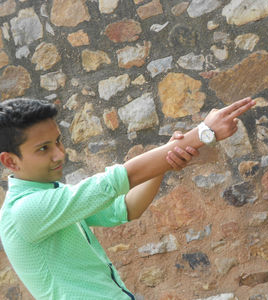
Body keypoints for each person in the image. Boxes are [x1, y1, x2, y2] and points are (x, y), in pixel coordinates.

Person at [0, 97, 255, 299]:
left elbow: (126, 209)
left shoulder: (51, 198)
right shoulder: (25, 211)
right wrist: (202, 133)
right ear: (9, 161)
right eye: (43, 149)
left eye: (58, 142)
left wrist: (166, 161)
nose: (59, 155)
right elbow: (115, 181)